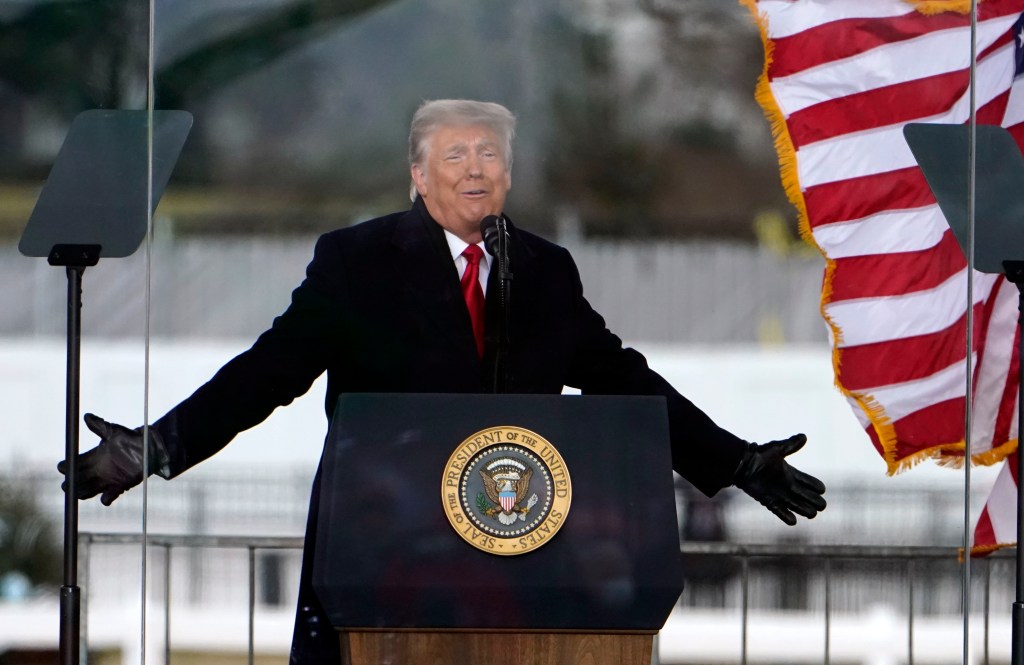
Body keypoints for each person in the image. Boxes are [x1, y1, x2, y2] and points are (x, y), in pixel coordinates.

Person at [59, 99, 827, 663]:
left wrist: (729, 460)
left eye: (490, 154)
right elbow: (270, 369)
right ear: (418, 175)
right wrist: (157, 446)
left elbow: (621, 376)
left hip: (521, 553)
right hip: (384, 549)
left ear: (511, 172)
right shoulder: (357, 262)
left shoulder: (544, 270)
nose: (475, 169)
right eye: (456, 155)